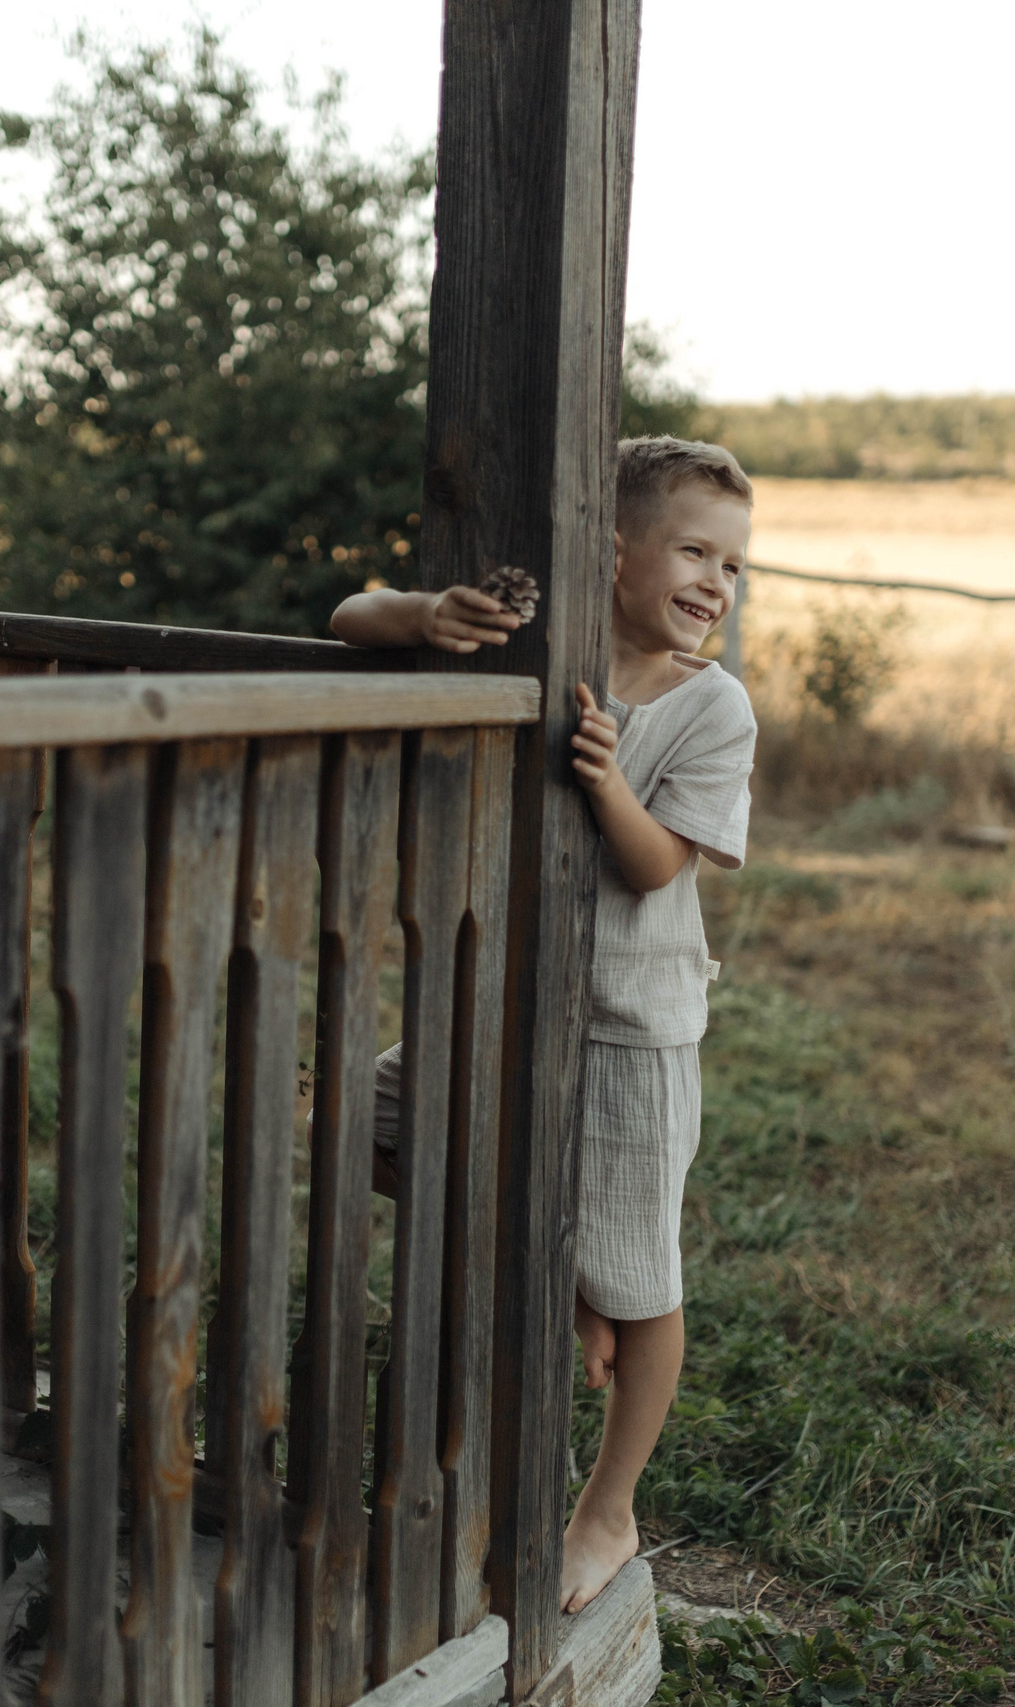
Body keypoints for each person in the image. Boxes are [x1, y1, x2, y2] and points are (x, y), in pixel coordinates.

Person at [330, 436, 758, 1613]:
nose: (716, 583)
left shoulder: (711, 707)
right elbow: (348, 617)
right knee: (364, 1124)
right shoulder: (528, 642)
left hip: (629, 1026)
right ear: (610, 550)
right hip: (499, 997)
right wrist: (426, 614)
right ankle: (555, 1259)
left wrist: (606, 779)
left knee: (642, 1282)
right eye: (693, 552)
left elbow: (656, 866)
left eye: (732, 566)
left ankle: (608, 1509)